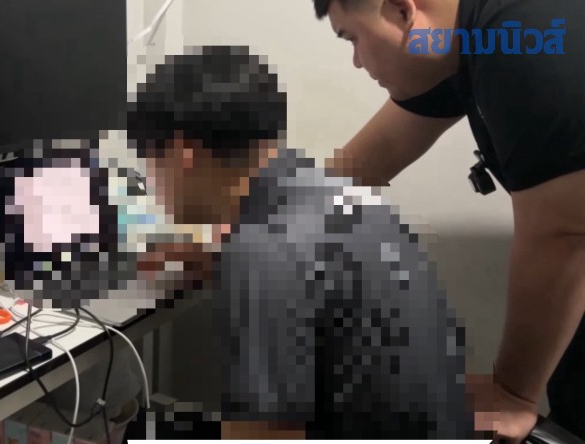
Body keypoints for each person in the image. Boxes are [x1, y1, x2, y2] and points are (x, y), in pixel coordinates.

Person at [126, 45, 475, 439]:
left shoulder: (263, 252)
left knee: (139, 432)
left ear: (182, 153)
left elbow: (267, 436)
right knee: (145, 429)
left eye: (150, 165)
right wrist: (216, 257)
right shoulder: (326, 192)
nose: (153, 184)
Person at [310, 0, 585, 441]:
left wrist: (512, 393)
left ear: (402, 10)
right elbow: (377, 153)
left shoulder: (525, 34)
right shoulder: (472, 39)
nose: (357, 61)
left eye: (353, 39)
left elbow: (563, 234)